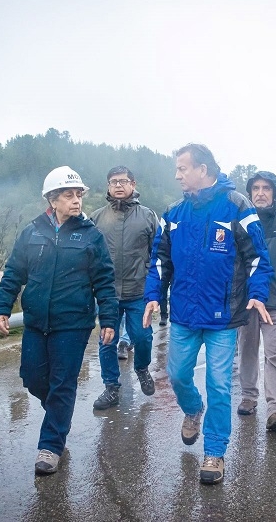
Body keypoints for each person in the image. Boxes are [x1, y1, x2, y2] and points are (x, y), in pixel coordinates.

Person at [142, 143, 273, 485]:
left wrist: (258, 294)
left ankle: (214, 452)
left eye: (182, 168)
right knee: (178, 376)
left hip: (223, 317)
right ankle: (192, 408)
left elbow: (259, 257)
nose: (177, 175)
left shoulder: (236, 206)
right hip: (184, 315)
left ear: (203, 169)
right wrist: (152, 295)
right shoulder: (173, 213)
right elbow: (159, 260)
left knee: (219, 384)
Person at [0, 165, 118, 476]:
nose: (76, 200)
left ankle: (50, 446)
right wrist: (2, 307)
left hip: (73, 323)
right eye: (68, 195)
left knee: (63, 383)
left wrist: (108, 319)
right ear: (52, 199)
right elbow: (13, 273)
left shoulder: (91, 236)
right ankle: (59, 417)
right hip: (36, 322)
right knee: (32, 378)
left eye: (79, 195)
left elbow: (104, 280)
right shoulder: (32, 232)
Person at [235, 171, 276, 431]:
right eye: (256, 188)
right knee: (247, 350)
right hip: (247, 300)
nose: (260, 193)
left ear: (275, 192)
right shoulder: (239, 220)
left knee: (275, 353)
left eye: (266, 188)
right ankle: (249, 396)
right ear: (249, 192)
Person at [90, 166, 159, 410]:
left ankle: (141, 368)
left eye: (123, 181)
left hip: (138, 290)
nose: (118, 185)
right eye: (113, 182)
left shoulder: (148, 216)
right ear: (108, 186)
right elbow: (89, 256)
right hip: (107, 293)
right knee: (107, 340)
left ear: (133, 184)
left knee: (142, 337)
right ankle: (111, 387)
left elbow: (158, 255)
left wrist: (155, 288)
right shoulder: (97, 218)